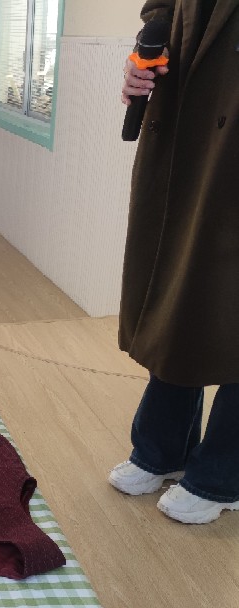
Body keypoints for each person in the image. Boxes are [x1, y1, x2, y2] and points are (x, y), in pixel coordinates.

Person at [108, 0, 239, 525]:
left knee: (231, 302)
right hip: (186, 118)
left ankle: (223, 475)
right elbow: (161, 6)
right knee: (180, 285)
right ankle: (163, 449)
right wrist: (149, 49)